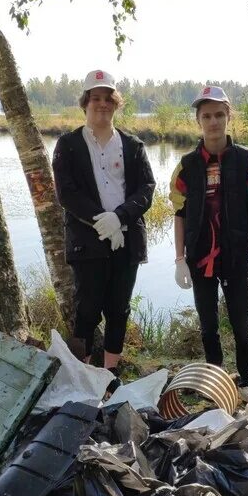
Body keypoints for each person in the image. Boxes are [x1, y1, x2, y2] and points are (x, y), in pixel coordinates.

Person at [169, 85, 248, 401]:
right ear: (198, 120)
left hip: (238, 255)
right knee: (208, 325)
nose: (213, 121)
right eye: (206, 116)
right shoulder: (186, 166)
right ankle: (215, 379)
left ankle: (246, 381)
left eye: (219, 115)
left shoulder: (247, 161)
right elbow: (180, 214)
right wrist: (179, 259)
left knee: (242, 323)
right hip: (200, 257)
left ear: (228, 116)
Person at [52, 69, 155, 377]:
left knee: (119, 310)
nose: (101, 104)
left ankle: (111, 375)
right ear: (85, 103)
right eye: (95, 98)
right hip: (88, 242)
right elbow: (66, 193)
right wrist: (101, 221)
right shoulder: (67, 145)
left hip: (127, 242)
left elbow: (147, 189)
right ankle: (80, 373)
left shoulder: (133, 146)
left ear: (115, 104)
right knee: (86, 310)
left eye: (108, 98)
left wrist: (119, 218)